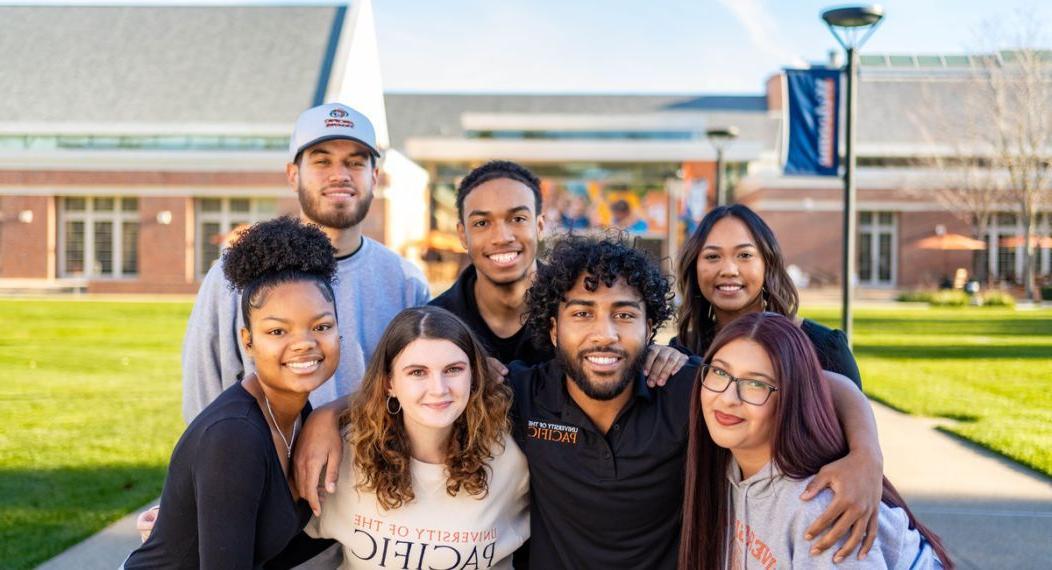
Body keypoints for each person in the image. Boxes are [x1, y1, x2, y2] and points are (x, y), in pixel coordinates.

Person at [507, 235, 884, 568]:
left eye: (624, 314)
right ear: (554, 330)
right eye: (582, 313)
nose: (604, 334)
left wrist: (866, 455)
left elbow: (817, 384)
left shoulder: (688, 389)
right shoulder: (522, 395)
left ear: (649, 328)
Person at [182, 102, 429, 422]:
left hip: (372, 469)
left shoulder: (405, 281)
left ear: (375, 177)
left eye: (355, 163)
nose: (339, 175)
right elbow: (204, 398)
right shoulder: (236, 272)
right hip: (264, 466)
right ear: (293, 175)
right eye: (322, 161)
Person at [125, 217, 341, 568]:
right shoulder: (234, 436)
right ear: (248, 342)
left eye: (321, 326)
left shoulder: (295, 413)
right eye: (277, 332)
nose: (304, 344)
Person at [680, 312, 951, 568]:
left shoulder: (817, 505)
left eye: (756, 384)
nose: (727, 398)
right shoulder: (727, 469)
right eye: (719, 373)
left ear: (791, 398)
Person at [290, 306, 529, 568]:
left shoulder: (514, 457)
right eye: (417, 372)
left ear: (473, 375)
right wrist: (324, 416)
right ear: (389, 383)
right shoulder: (344, 453)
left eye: (453, 370)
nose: (438, 389)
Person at [675, 204, 862, 386]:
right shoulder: (681, 352)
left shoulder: (824, 348)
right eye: (713, 256)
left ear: (768, 263)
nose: (729, 270)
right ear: (694, 267)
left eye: (745, 255)